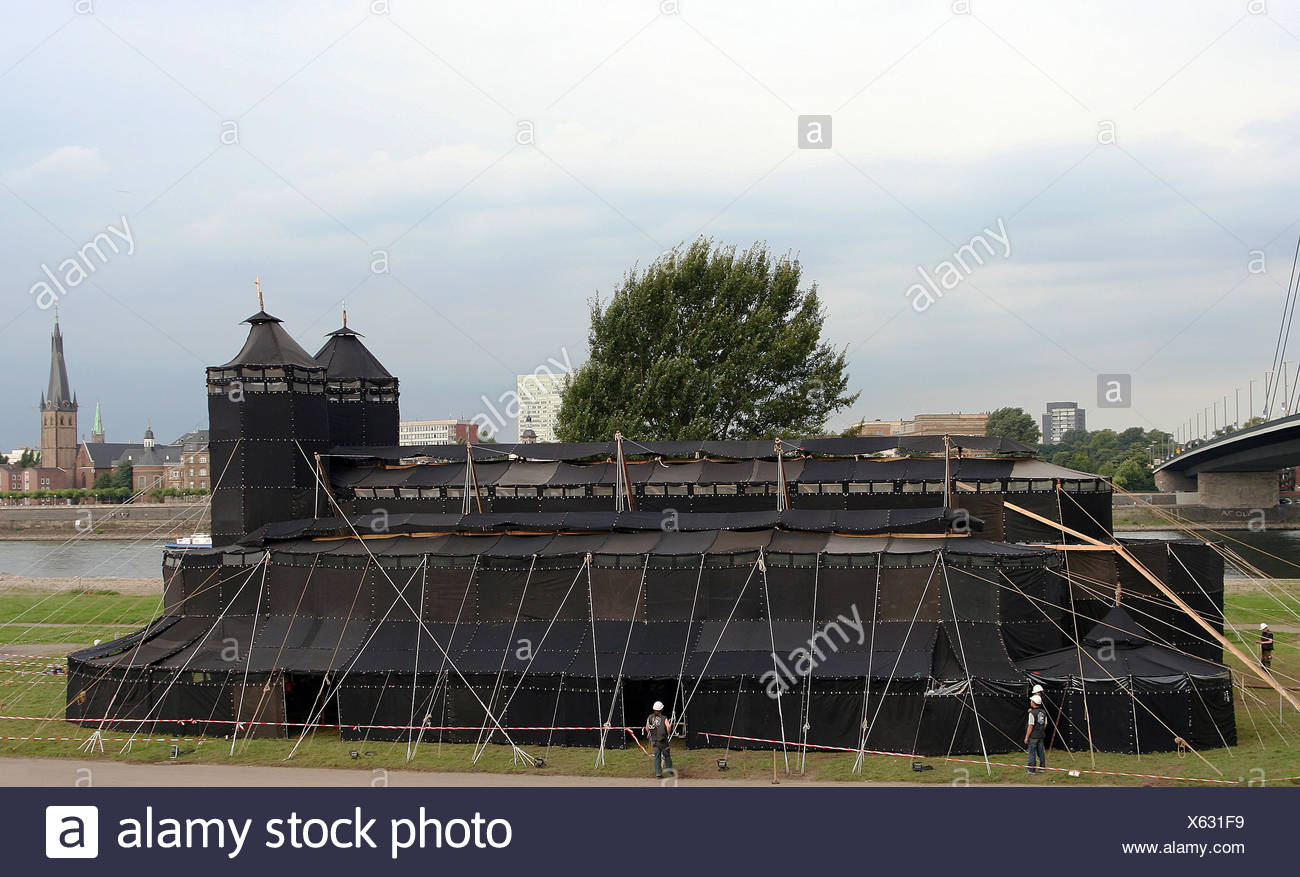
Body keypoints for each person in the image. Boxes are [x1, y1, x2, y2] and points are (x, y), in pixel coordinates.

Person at [645, 700, 673, 779]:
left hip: (654, 741)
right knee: (667, 755)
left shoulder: (649, 717)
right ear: (661, 709)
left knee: (657, 757)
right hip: (663, 741)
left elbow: (647, 727)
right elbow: (668, 726)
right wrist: (668, 733)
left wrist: (650, 733)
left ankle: (658, 773)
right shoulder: (664, 718)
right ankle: (669, 771)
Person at [1024, 693, 1048, 775]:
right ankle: (1042, 768)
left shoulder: (1032, 713)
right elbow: (1045, 724)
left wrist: (1026, 737)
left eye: (1031, 701)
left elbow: (1030, 726)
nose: (1030, 702)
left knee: (1032, 753)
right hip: (1041, 735)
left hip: (1033, 736)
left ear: (1033, 702)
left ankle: (1031, 770)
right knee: (1041, 752)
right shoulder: (1044, 712)